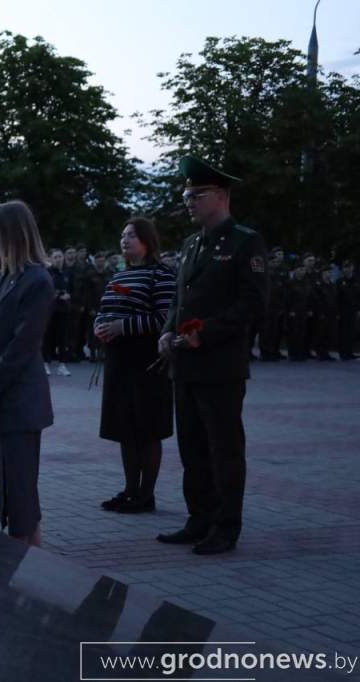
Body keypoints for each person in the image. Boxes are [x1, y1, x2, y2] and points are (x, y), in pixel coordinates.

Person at [157, 156, 268, 556]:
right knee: (192, 448)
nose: (187, 201)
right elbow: (179, 299)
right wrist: (168, 331)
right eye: (186, 194)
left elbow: (252, 305)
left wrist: (203, 334)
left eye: (195, 194)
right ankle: (198, 517)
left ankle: (226, 526)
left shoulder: (244, 242)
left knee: (224, 450)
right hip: (185, 366)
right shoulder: (191, 245)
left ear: (220, 196)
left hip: (220, 366)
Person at [0, 200, 54, 545]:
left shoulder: (37, 281)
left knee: (20, 497)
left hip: (19, 404)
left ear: (15, 236)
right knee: (7, 494)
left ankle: (30, 572)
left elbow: (22, 349)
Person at [94, 217, 176, 514]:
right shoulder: (119, 277)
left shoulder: (161, 275)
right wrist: (100, 325)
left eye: (131, 235)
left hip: (148, 362)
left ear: (146, 240)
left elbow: (164, 319)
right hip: (120, 362)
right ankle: (130, 490)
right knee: (125, 428)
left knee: (147, 429)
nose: (124, 240)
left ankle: (146, 494)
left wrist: (122, 327)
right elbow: (104, 309)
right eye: (122, 235)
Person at [43, 248, 73, 376]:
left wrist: (69, 296)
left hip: (64, 310)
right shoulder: (47, 273)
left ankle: (62, 364)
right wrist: (59, 295)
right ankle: (45, 363)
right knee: (48, 337)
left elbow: (71, 289)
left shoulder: (66, 273)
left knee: (62, 338)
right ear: (50, 259)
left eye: (60, 256)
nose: (58, 259)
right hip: (50, 310)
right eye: (55, 257)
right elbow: (46, 291)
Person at [259, 247, 287, 361]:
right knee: (265, 331)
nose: (274, 264)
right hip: (265, 307)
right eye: (272, 262)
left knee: (274, 331)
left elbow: (282, 291)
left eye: (275, 262)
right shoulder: (262, 274)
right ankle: (265, 353)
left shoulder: (278, 274)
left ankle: (273, 351)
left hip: (276, 306)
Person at [82, 253, 110, 362]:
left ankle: (102, 353)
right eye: (99, 260)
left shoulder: (109, 274)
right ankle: (93, 353)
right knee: (92, 331)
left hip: (106, 307)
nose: (101, 263)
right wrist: (89, 308)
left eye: (103, 260)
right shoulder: (90, 275)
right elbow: (86, 293)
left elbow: (114, 289)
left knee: (104, 330)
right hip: (94, 306)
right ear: (95, 262)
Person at [285, 264, 315, 361]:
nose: (302, 271)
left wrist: (310, 309)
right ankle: (292, 353)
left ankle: (300, 353)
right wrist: (290, 310)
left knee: (302, 332)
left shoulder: (306, 282)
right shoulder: (291, 282)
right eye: (300, 269)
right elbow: (288, 298)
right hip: (294, 310)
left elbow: (310, 296)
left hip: (304, 310)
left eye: (303, 269)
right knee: (293, 332)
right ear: (295, 271)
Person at [313, 263, 339, 361]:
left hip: (331, 313)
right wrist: (320, 312)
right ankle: (320, 352)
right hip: (322, 313)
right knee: (320, 333)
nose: (329, 274)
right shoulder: (319, 285)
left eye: (330, 272)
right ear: (323, 273)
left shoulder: (332, 284)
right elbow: (317, 300)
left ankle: (326, 352)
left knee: (329, 333)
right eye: (327, 272)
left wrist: (336, 312)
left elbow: (335, 299)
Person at [338, 260, 359, 360]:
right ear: (343, 269)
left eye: (349, 267)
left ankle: (350, 352)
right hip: (343, 310)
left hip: (354, 310)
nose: (347, 269)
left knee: (352, 331)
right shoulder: (339, 281)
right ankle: (343, 353)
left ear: (353, 268)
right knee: (343, 332)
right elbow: (336, 297)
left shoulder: (357, 281)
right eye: (345, 267)